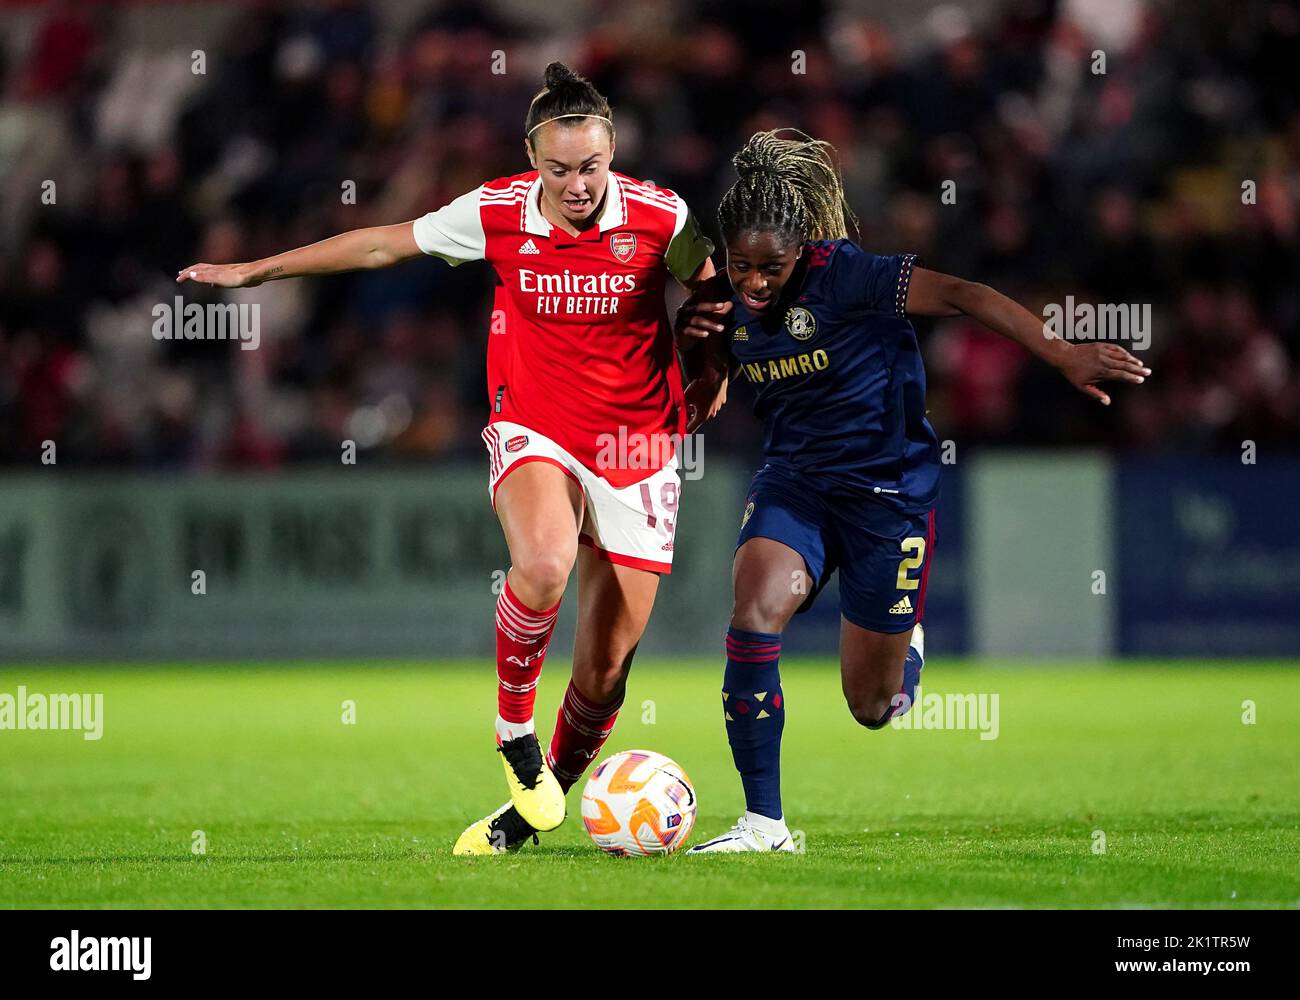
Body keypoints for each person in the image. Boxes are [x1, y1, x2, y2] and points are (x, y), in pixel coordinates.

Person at [178, 63, 717, 855]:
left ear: (613, 154)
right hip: (535, 423)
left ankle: (529, 815)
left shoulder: (665, 216)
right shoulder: (496, 211)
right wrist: (261, 269)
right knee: (540, 566)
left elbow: (713, 297)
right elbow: (380, 246)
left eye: (591, 167)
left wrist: (715, 370)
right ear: (534, 160)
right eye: (558, 169)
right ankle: (513, 734)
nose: (576, 185)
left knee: (603, 672)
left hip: (639, 443)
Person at [675, 129, 1149, 852]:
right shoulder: (724, 302)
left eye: (771, 267)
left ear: (802, 248)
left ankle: (907, 656)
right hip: (795, 483)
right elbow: (706, 384)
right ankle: (763, 823)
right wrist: (692, 364)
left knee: (872, 705)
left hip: (887, 494)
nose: (756, 284)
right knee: (754, 610)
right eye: (742, 267)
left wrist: (1061, 353)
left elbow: (963, 293)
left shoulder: (851, 277)